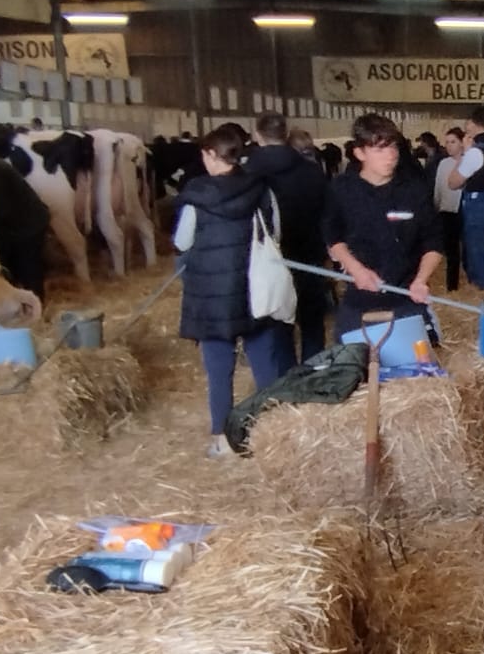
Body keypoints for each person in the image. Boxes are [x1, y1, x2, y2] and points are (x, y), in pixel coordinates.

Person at [174, 122, 291, 458]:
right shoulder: (262, 189)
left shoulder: (196, 194)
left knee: (219, 368)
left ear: (212, 155)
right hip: (256, 289)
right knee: (264, 363)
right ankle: (270, 434)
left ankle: (223, 440)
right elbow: (276, 234)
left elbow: (182, 241)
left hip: (211, 295)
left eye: (205, 154)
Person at [323, 113, 443, 342]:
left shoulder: (414, 190)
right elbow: (333, 236)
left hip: (407, 298)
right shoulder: (342, 189)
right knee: (354, 369)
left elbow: (434, 242)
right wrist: (356, 269)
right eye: (379, 149)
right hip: (359, 300)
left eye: (393, 147)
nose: (391, 156)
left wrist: (421, 279)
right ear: (360, 153)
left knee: (417, 372)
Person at [245, 111, 332, 363]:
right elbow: (327, 213)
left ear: (257, 134)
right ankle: (312, 370)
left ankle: (284, 376)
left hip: (267, 260)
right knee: (312, 318)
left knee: (276, 320)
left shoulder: (248, 173)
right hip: (310, 254)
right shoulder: (312, 171)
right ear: (285, 134)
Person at [445, 106, 484, 289]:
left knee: (480, 262)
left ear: (474, 124)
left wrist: (464, 152)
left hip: (479, 211)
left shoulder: (475, 152)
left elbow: (453, 182)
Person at [433, 125, 464, 293]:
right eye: (447, 142)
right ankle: (452, 286)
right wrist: (436, 206)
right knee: (451, 251)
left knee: (465, 249)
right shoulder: (443, 164)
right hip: (447, 211)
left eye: (453, 142)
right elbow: (438, 187)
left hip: (463, 210)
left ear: (461, 143)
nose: (449, 145)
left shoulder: (469, 161)